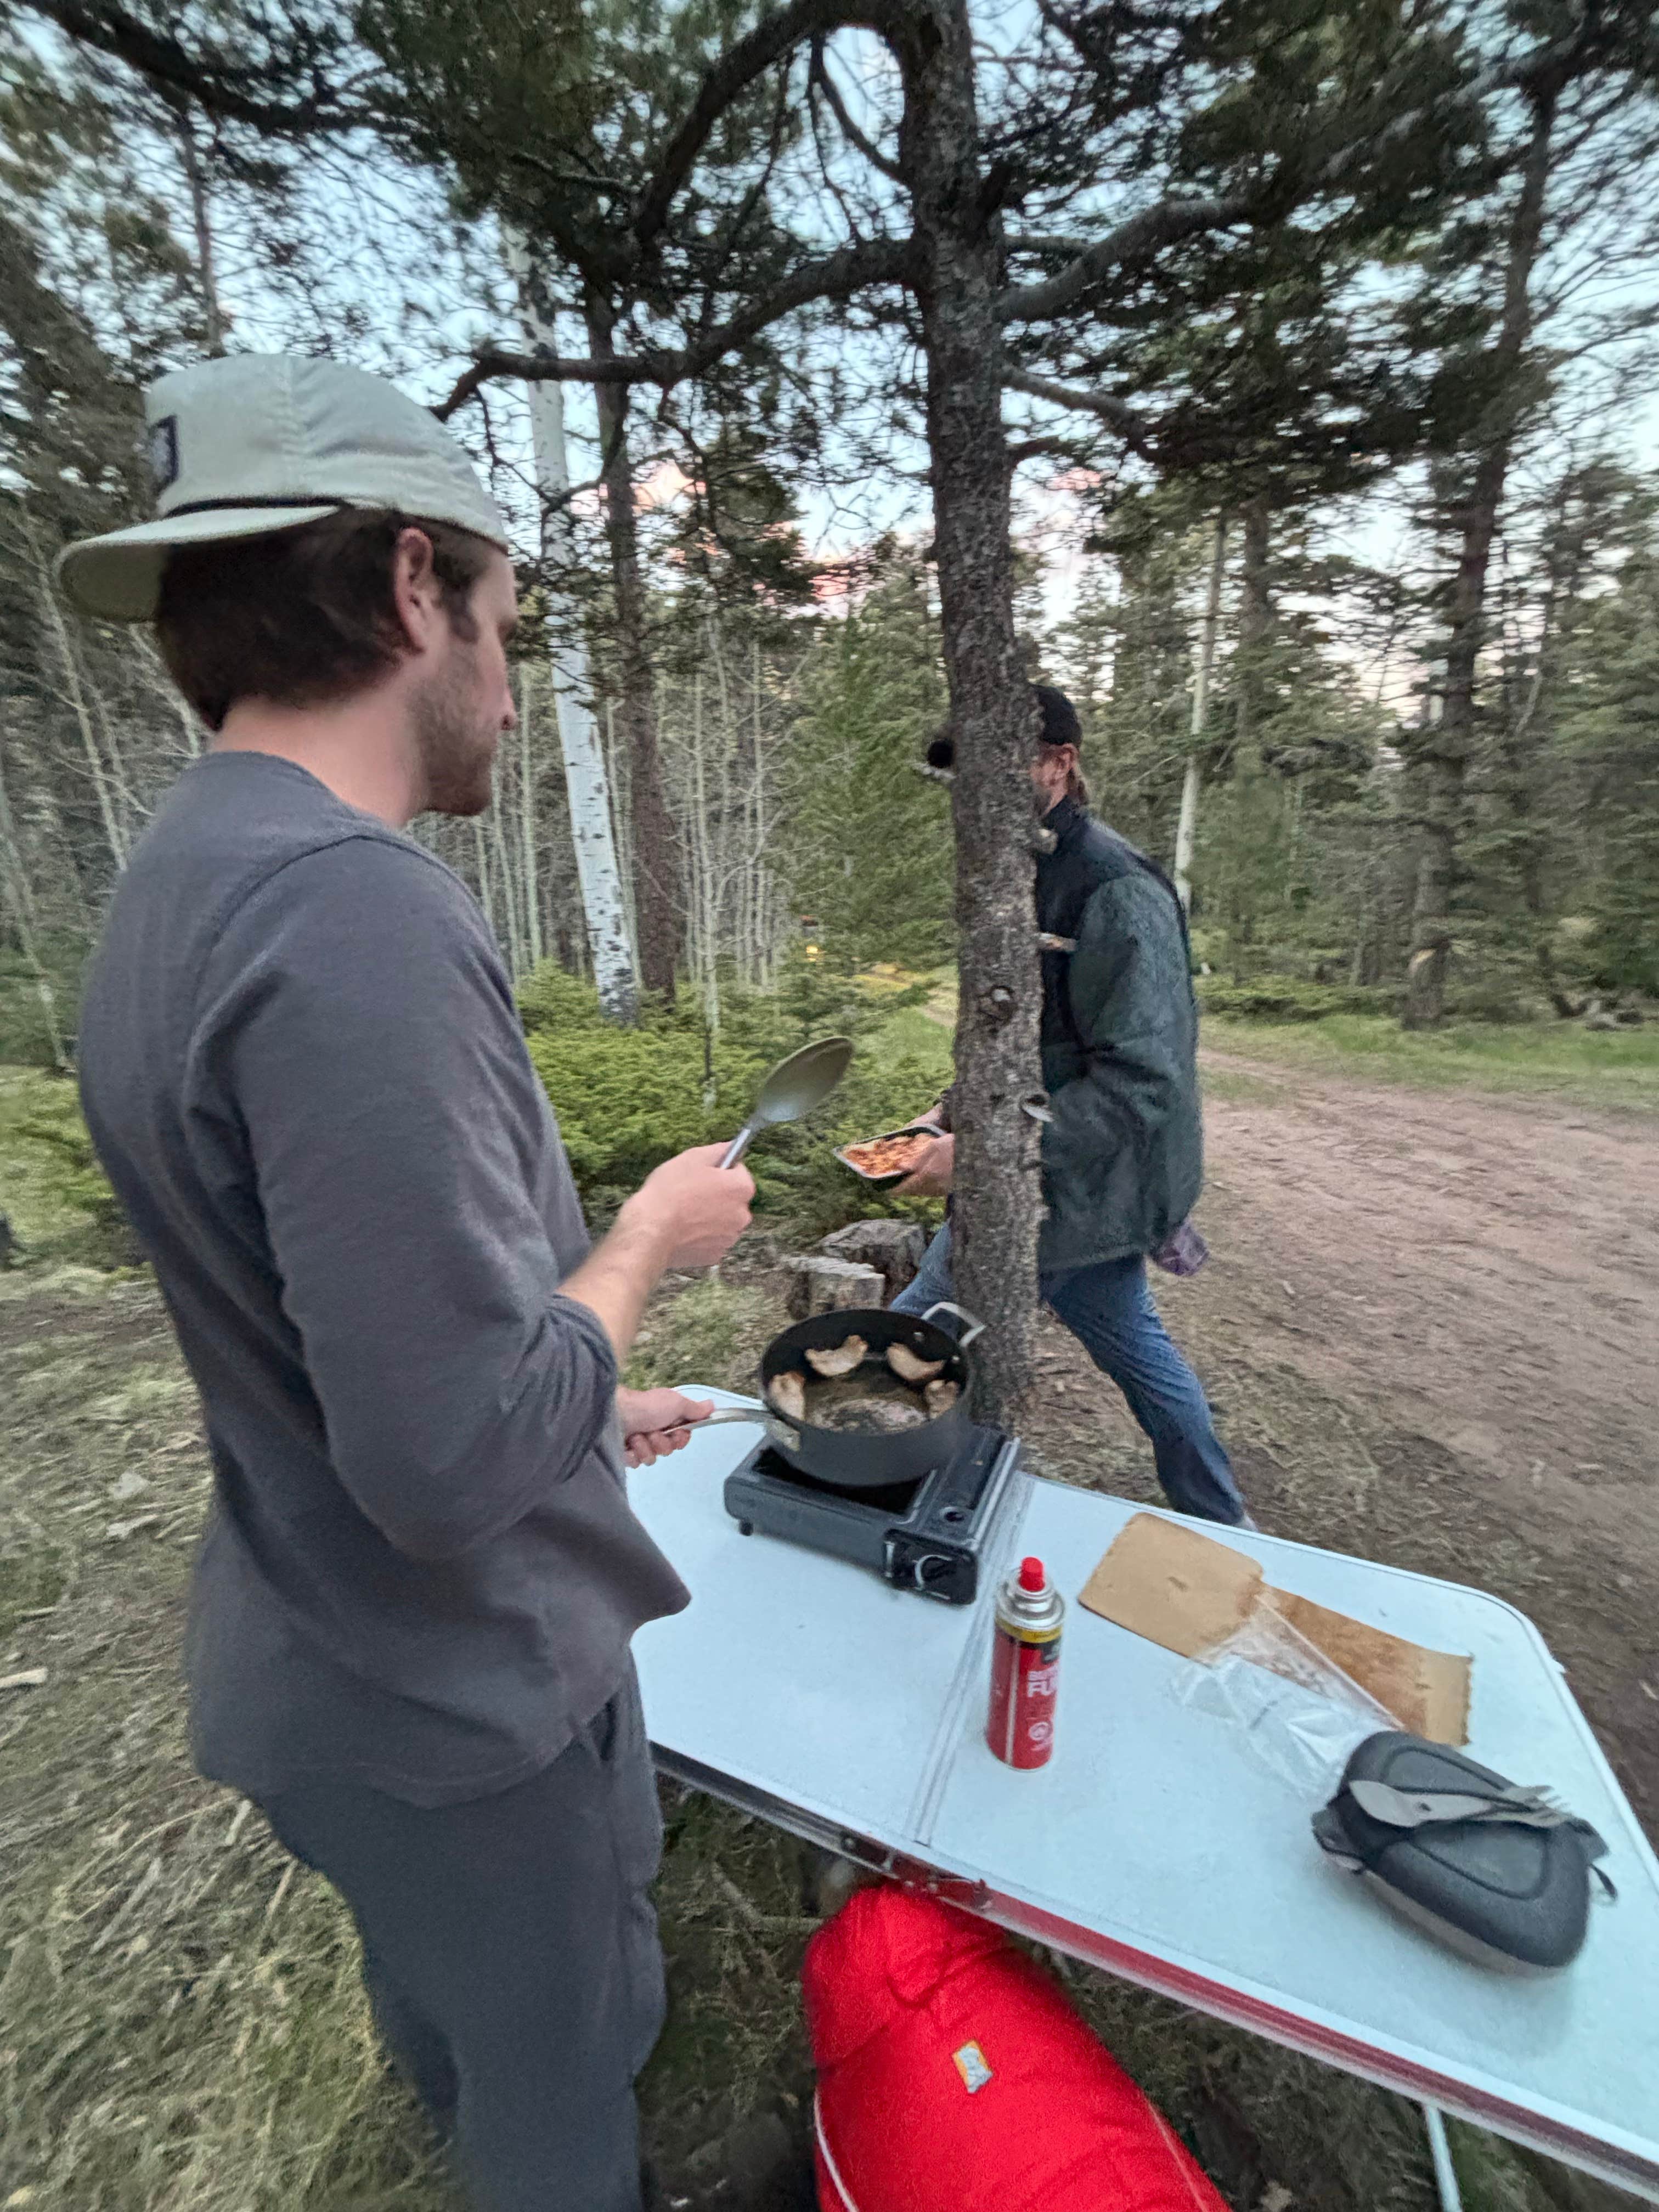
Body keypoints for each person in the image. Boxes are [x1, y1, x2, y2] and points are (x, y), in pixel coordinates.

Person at [58, 354, 753, 2212]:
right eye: (507, 618)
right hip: (462, 1705)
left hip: (321, 1666)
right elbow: (445, 1462)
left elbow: (335, 1328)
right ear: (409, 589)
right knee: (563, 2084)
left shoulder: (177, 881)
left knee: (449, 2020)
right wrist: (641, 1250)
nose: (514, 693)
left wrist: (579, 1393)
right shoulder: (350, 908)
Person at [891, 684, 1251, 1528]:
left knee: (918, 1330)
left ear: (1061, 764)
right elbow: (1019, 1040)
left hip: (1091, 1186)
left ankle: (1226, 1528)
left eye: (997, 767)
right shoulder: (1017, 876)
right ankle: (1222, 1517)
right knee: (1128, 1351)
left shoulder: (1115, 891)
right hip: (1032, 1176)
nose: (974, 794)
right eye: (962, 777)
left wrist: (983, 1155)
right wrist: (942, 1120)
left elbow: (1146, 1084)